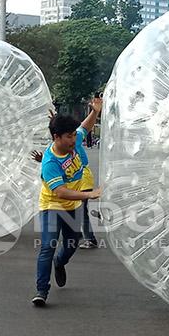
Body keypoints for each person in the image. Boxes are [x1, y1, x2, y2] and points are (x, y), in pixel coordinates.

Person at [33, 104, 103, 306]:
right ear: (56, 137)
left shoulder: (74, 141)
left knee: (73, 241)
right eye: (69, 137)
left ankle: (60, 262)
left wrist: (95, 112)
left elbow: (85, 128)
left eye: (74, 136)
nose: (74, 140)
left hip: (72, 206)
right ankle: (41, 291)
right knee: (48, 246)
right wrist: (89, 195)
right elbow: (60, 192)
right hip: (52, 205)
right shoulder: (50, 163)